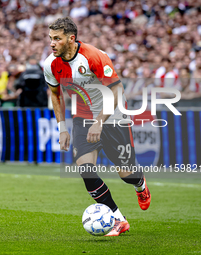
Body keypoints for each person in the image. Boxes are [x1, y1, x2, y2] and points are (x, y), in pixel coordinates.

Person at [44, 17, 151, 236]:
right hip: (83, 117)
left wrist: (99, 122)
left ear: (71, 39)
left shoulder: (94, 56)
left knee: (126, 174)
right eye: (50, 38)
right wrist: (62, 127)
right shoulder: (51, 64)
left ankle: (140, 185)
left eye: (57, 39)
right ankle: (118, 219)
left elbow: (117, 90)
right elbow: (55, 94)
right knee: (85, 168)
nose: (52, 43)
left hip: (113, 116)